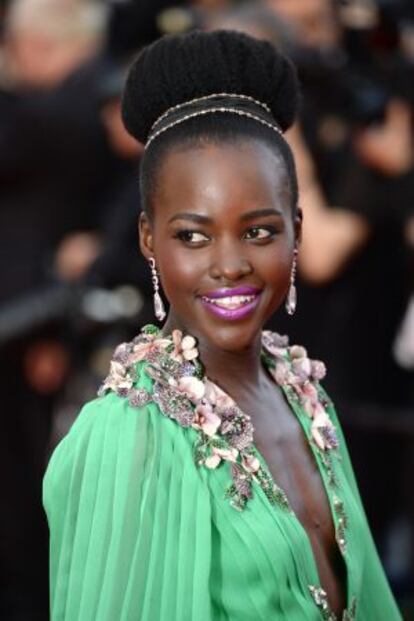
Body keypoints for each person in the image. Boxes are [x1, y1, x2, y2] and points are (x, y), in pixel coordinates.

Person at [43, 30, 402, 620]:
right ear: (148, 241)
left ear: (297, 232)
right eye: (193, 236)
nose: (230, 265)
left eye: (259, 230)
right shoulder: (127, 434)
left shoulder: (305, 392)